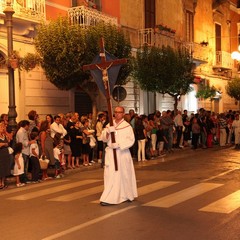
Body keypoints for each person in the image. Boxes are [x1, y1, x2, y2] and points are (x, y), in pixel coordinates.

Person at [100, 106, 138, 206]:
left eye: (120, 112)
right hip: (111, 154)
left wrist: (120, 145)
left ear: (123, 113)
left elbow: (131, 140)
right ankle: (110, 197)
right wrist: (107, 132)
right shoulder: (109, 124)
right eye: (116, 112)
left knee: (124, 174)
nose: (117, 114)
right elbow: (103, 138)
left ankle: (126, 194)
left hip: (122, 154)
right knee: (111, 175)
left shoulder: (127, 126)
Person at [0, 122, 11, 189]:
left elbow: (10, 140)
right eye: (1, 127)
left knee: (5, 168)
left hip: (5, 153)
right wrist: (3, 144)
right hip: (0, 153)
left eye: (3, 127)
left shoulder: (5, 135)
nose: (2, 128)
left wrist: (5, 132)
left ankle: (3, 182)